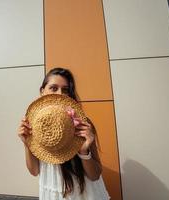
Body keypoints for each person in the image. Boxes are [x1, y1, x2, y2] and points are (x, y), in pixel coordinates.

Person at [18, 68, 110, 200]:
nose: (60, 93)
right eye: (53, 88)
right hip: (52, 193)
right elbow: (34, 171)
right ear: (42, 91)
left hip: (85, 195)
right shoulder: (34, 124)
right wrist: (27, 143)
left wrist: (84, 151)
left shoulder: (82, 123)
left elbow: (95, 175)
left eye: (65, 90)